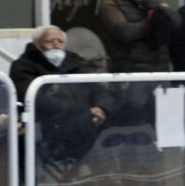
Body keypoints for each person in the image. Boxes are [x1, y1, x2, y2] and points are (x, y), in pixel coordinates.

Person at [10, 26, 114, 165]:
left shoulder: (76, 62)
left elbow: (99, 90)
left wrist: (101, 108)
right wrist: (81, 112)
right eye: (50, 42)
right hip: (48, 128)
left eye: (60, 41)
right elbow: (35, 99)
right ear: (36, 46)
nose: (56, 46)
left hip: (85, 123)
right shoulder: (23, 66)